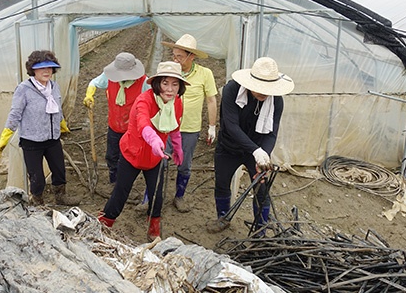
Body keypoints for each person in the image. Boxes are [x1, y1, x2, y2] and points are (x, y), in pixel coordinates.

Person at [97, 61, 188, 241]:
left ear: (180, 87)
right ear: (157, 83)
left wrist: (177, 148)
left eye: (175, 84)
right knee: (121, 193)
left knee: (157, 194)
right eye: (165, 83)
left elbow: (175, 127)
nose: (170, 89)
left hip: (154, 157)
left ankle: (153, 226)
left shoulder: (176, 103)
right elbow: (143, 125)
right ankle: (105, 223)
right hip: (133, 153)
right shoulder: (144, 101)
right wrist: (155, 141)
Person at [206, 57, 294, 235]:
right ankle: (223, 218)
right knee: (222, 182)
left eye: (268, 89)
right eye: (260, 88)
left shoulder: (276, 101)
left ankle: (260, 228)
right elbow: (231, 126)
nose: (263, 93)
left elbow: (271, 133)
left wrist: (264, 155)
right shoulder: (232, 90)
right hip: (229, 146)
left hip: (257, 149)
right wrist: (255, 150)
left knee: (262, 188)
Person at [0, 50, 80, 206]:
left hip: (53, 138)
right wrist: (4, 137)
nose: (46, 71)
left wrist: (62, 125)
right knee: (37, 177)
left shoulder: (54, 86)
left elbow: (57, 109)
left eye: (50, 68)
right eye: (41, 68)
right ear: (33, 69)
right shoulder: (24, 89)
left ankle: (60, 197)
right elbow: (15, 114)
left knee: (59, 170)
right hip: (32, 141)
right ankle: (37, 204)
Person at [162, 34, 218, 212]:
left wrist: (211, 126)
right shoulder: (170, 71)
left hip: (189, 129)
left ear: (191, 56)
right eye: (174, 55)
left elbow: (211, 100)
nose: (175, 59)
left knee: (184, 165)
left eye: (179, 56)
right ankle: (151, 196)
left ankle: (179, 196)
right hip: (166, 127)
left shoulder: (204, 74)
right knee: (158, 162)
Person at [83, 52, 149, 185]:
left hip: (133, 129)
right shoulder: (109, 77)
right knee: (112, 156)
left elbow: (151, 100)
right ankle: (114, 181)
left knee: (130, 156)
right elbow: (94, 82)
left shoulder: (144, 82)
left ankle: (126, 182)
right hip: (114, 125)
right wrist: (89, 94)